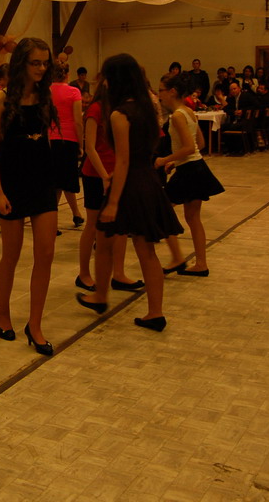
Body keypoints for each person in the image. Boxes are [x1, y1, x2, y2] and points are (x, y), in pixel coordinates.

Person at [75, 53, 183, 332]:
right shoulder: (148, 108)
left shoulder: (120, 114)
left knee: (108, 239)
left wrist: (113, 201)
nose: (104, 82)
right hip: (147, 180)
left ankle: (103, 296)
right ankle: (152, 311)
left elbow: (122, 160)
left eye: (107, 77)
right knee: (144, 249)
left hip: (130, 185)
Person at [0, 37, 58, 356]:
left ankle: (35, 324)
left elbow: (47, 140)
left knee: (46, 253)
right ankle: (3, 311)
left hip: (42, 181)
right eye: (35, 63)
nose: (41, 68)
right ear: (21, 64)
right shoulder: (1, 99)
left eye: (45, 63)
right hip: (12, 182)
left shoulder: (45, 96)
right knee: (11, 254)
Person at [155, 73, 224, 277]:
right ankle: (201, 263)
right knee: (193, 218)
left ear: (172, 92)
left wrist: (165, 159)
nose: (159, 95)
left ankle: (177, 257)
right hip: (196, 167)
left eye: (161, 90)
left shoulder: (177, 115)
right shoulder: (189, 111)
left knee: (162, 210)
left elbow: (188, 147)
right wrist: (175, 162)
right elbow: (199, 144)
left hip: (189, 170)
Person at [75, 80, 138, 294]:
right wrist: (104, 176)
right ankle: (84, 273)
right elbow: (90, 147)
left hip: (116, 173)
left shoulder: (119, 109)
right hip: (96, 174)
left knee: (121, 226)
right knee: (93, 226)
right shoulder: (95, 109)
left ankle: (118, 273)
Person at [49, 62, 85, 232]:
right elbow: (78, 121)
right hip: (68, 138)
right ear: (67, 74)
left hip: (50, 138)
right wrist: (81, 144)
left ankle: (76, 213)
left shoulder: (46, 91)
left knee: (59, 180)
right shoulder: (74, 92)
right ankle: (52, 222)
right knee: (64, 180)